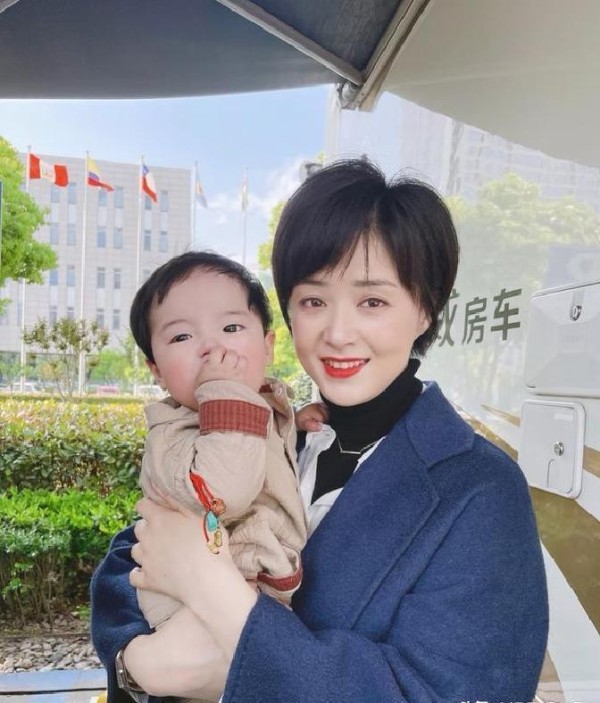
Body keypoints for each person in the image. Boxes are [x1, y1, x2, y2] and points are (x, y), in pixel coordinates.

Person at [91, 159, 548, 703]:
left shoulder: (480, 488)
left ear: (425, 309)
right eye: (313, 301)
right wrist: (132, 660)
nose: (337, 332)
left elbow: (454, 689)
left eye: (372, 301)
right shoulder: (273, 430)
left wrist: (218, 601)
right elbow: (138, 547)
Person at [126, 252, 313, 644]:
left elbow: (258, 450)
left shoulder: (252, 407)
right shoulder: (171, 437)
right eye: (181, 337)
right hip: (195, 619)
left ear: (268, 346)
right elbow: (225, 491)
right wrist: (223, 389)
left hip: (250, 601)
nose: (211, 348)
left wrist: (291, 420)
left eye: (231, 327)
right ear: (156, 369)